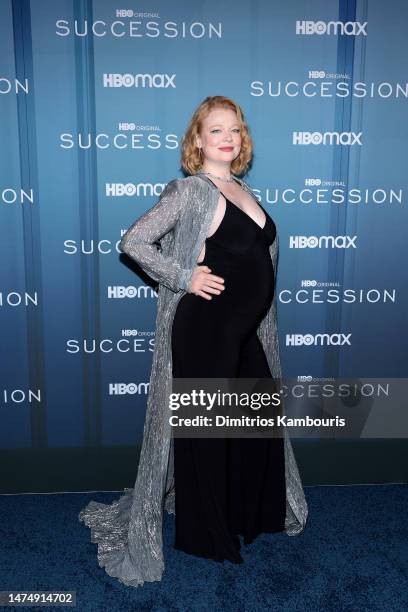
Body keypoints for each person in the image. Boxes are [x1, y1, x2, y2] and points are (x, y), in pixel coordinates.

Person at [78, 96, 308, 587]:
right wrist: (183, 275)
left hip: (244, 330)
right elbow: (134, 242)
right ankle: (207, 535)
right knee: (208, 433)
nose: (228, 138)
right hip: (206, 328)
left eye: (236, 130)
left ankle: (251, 516)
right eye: (217, 130)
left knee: (254, 425)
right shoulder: (189, 191)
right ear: (198, 140)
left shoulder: (243, 189)